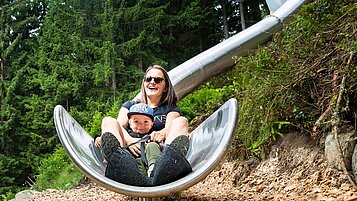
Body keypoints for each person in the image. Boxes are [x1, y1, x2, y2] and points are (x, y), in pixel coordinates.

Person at [95, 64, 192, 186]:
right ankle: (119, 161)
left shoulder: (170, 108)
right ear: (144, 82)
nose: (152, 82)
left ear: (165, 87)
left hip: (158, 152)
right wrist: (130, 139)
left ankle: (169, 163)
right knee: (108, 120)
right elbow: (118, 126)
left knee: (181, 121)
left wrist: (161, 133)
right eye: (148, 79)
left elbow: (171, 126)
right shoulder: (130, 105)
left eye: (158, 80)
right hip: (131, 151)